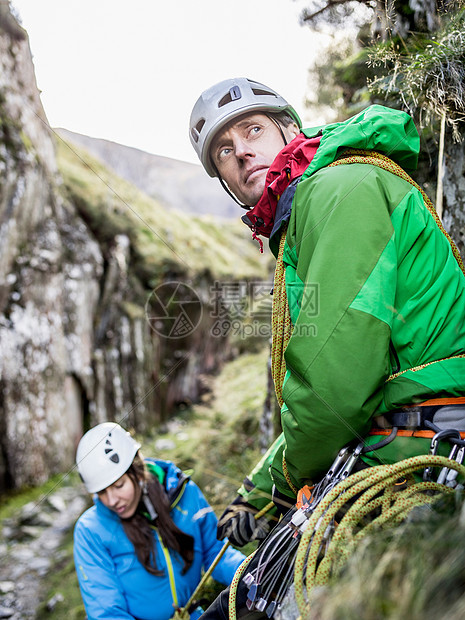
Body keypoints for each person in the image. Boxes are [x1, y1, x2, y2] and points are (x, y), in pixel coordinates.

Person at [189, 77, 465, 549]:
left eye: (252, 131)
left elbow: (336, 387)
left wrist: (282, 486)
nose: (240, 153)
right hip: (410, 433)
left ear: (288, 130)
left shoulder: (337, 190)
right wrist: (257, 492)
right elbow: (328, 376)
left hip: (424, 444)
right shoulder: (308, 213)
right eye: (223, 151)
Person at [73, 422, 245, 620]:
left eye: (119, 486)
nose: (111, 500)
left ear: (137, 470)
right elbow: (106, 613)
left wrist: (254, 571)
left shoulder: (183, 494)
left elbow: (217, 554)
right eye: (102, 492)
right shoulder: (91, 530)